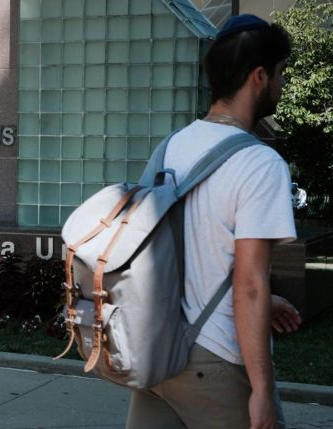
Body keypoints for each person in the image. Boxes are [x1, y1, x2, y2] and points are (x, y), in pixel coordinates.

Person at [126, 15, 300, 429]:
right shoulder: (260, 163)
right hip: (217, 362)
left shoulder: (171, 147)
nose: (281, 85)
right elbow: (250, 283)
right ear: (259, 77)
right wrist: (261, 389)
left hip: (158, 353)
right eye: (279, 74)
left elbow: (177, 249)